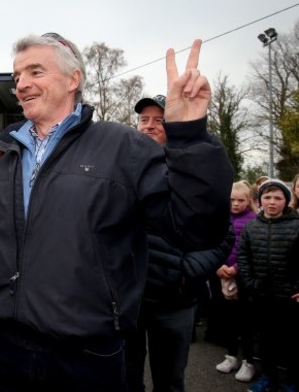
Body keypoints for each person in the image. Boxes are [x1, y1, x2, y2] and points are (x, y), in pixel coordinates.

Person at [0, 33, 233, 391]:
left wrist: (190, 135)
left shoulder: (123, 146)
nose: (21, 83)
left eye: (35, 71)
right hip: (3, 354)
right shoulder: (7, 159)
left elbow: (196, 229)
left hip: (86, 360)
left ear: (73, 80)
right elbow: (7, 262)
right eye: (17, 75)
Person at [124, 95, 234, 392]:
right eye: (143, 120)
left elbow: (224, 233)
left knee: (170, 381)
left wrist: (189, 269)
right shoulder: (122, 168)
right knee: (124, 378)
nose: (149, 126)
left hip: (175, 301)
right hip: (127, 301)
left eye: (158, 120)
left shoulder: (193, 169)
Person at [238, 179, 299, 392]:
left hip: (289, 297)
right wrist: (250, 282)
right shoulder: (251, 227)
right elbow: (243, 257)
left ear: (286, 200)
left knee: (291, 341)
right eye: (267, 197)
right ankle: (268, 377)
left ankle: (292, 380)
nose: (272, 202)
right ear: (261, 200)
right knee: (265, 340)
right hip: (261, 294)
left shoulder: (297, 225)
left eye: (278, 198)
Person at [212, 180, 258, 383]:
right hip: (222, 274)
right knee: (227, 319)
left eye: (240, 200)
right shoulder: (220, 219)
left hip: (243, 278)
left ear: (248, 200)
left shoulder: (253, 220)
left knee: (245, 321)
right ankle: (231, 356)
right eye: (232, 200)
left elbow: (252, 251)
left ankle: (249, 361)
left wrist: (236, 268)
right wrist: (218, 265)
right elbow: (213, 243)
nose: (236, 204)